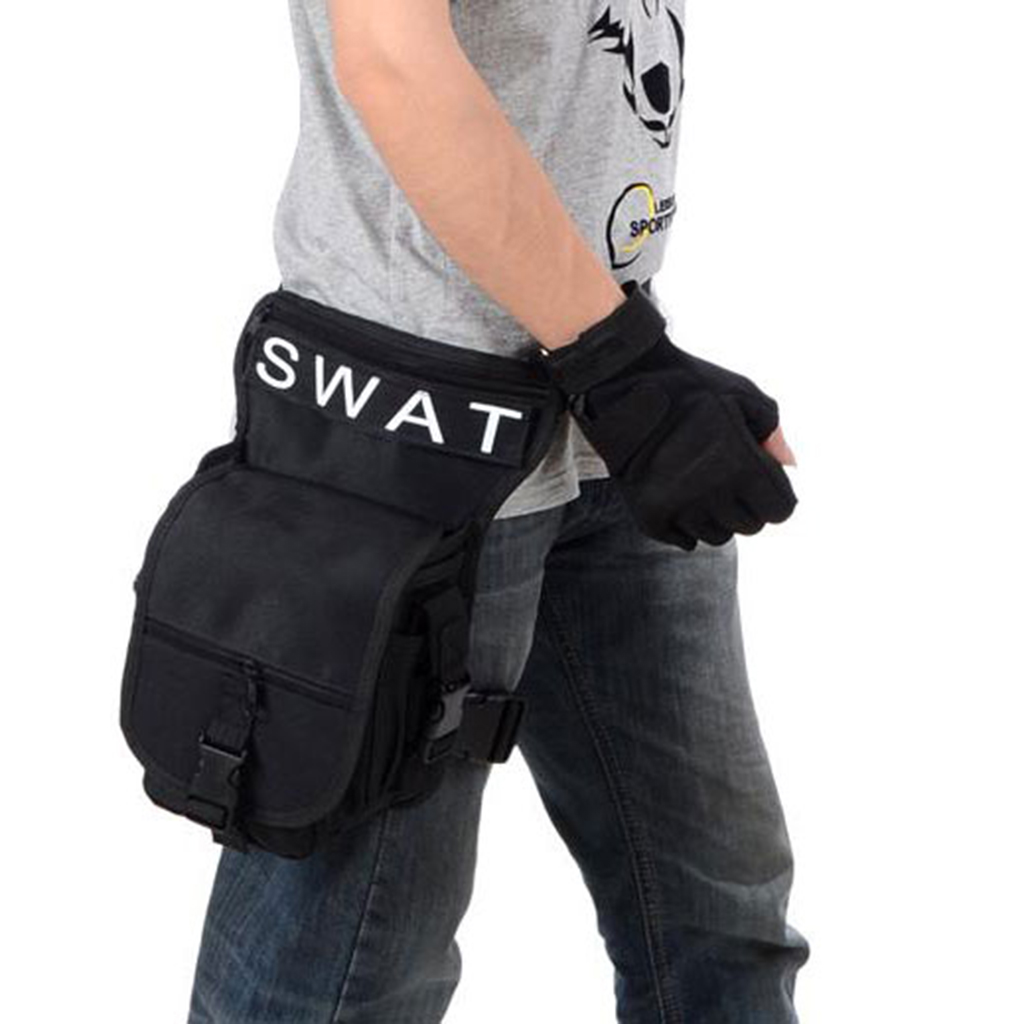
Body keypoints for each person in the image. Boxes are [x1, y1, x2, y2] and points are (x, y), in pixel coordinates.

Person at [187, 0, 811, 1020]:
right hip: (415, 427)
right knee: (343, 964)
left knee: (719, 919)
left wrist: (630, 367)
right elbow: (392, 61)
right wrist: (623, 368)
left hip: (601, 392)